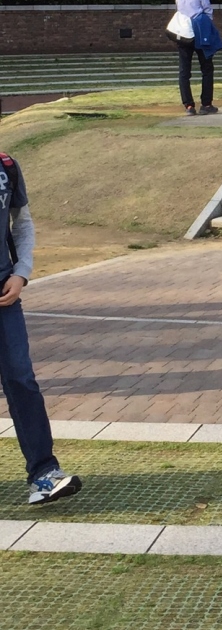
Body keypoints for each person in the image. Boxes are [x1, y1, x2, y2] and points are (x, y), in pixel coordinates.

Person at [0, 152, 81, 504]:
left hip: (4, 295)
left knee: (22, 381)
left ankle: (44, 473)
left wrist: (21, 272)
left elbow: (22, 223)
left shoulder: (6, 167)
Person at [175, 0, 222, 116]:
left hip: (183, 33)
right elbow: (208, 14)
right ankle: (206, 104)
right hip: (199, 33)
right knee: (207, 68)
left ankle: (188, 105)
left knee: (184, 70)